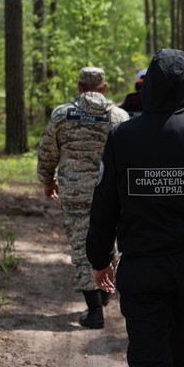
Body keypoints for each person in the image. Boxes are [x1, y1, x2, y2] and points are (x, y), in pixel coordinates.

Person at [86, 49, 184, 367]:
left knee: (147, 355)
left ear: (150, 88)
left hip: (143, 266)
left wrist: (99, 258)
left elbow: (105, 205)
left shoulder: (123, 136)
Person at [37, 66, 130, 329]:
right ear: (104, 88)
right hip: (111, 194)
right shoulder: (118, 117)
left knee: (81, 247)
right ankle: (104, 295)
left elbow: (47, 153)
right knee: (110, 242)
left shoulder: (61, 115)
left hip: (75, 194)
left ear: (79, 87)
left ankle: (94, 311)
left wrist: (47, 181)